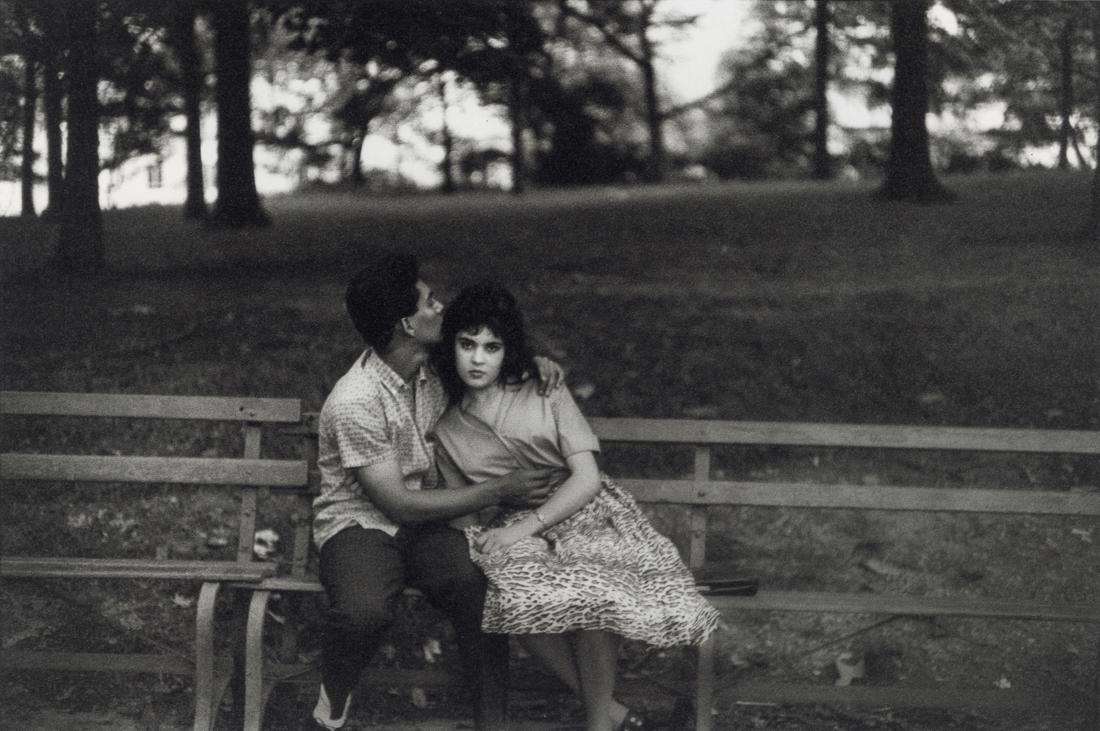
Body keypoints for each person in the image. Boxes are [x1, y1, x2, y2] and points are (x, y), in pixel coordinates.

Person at [430, 282, 721, 731]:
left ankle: (598, 725)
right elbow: (467, 515)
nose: (478, 358)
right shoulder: (447, 427)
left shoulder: (543, 387)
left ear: (509, 351)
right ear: (451, 345)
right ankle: (610, 714)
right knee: (504, 588)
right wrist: (498, 534)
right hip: (517, 526)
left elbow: (586, 479)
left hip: (588, 514)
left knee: (595, 589)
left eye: (492, 346)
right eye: (467, 344)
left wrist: (524, 527)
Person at [310, 254, 564, 730]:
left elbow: (493, 360)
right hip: (360, 523)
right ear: (408, 323)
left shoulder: (433, 367)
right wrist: (499, 490)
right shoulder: (354, 401)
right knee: (364, 611)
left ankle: (493, 723)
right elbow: (396, 503)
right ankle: (334, 697)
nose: (440, 306)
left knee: (478, 586)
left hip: (428, 524)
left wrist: (535, 365)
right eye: (430, 301)